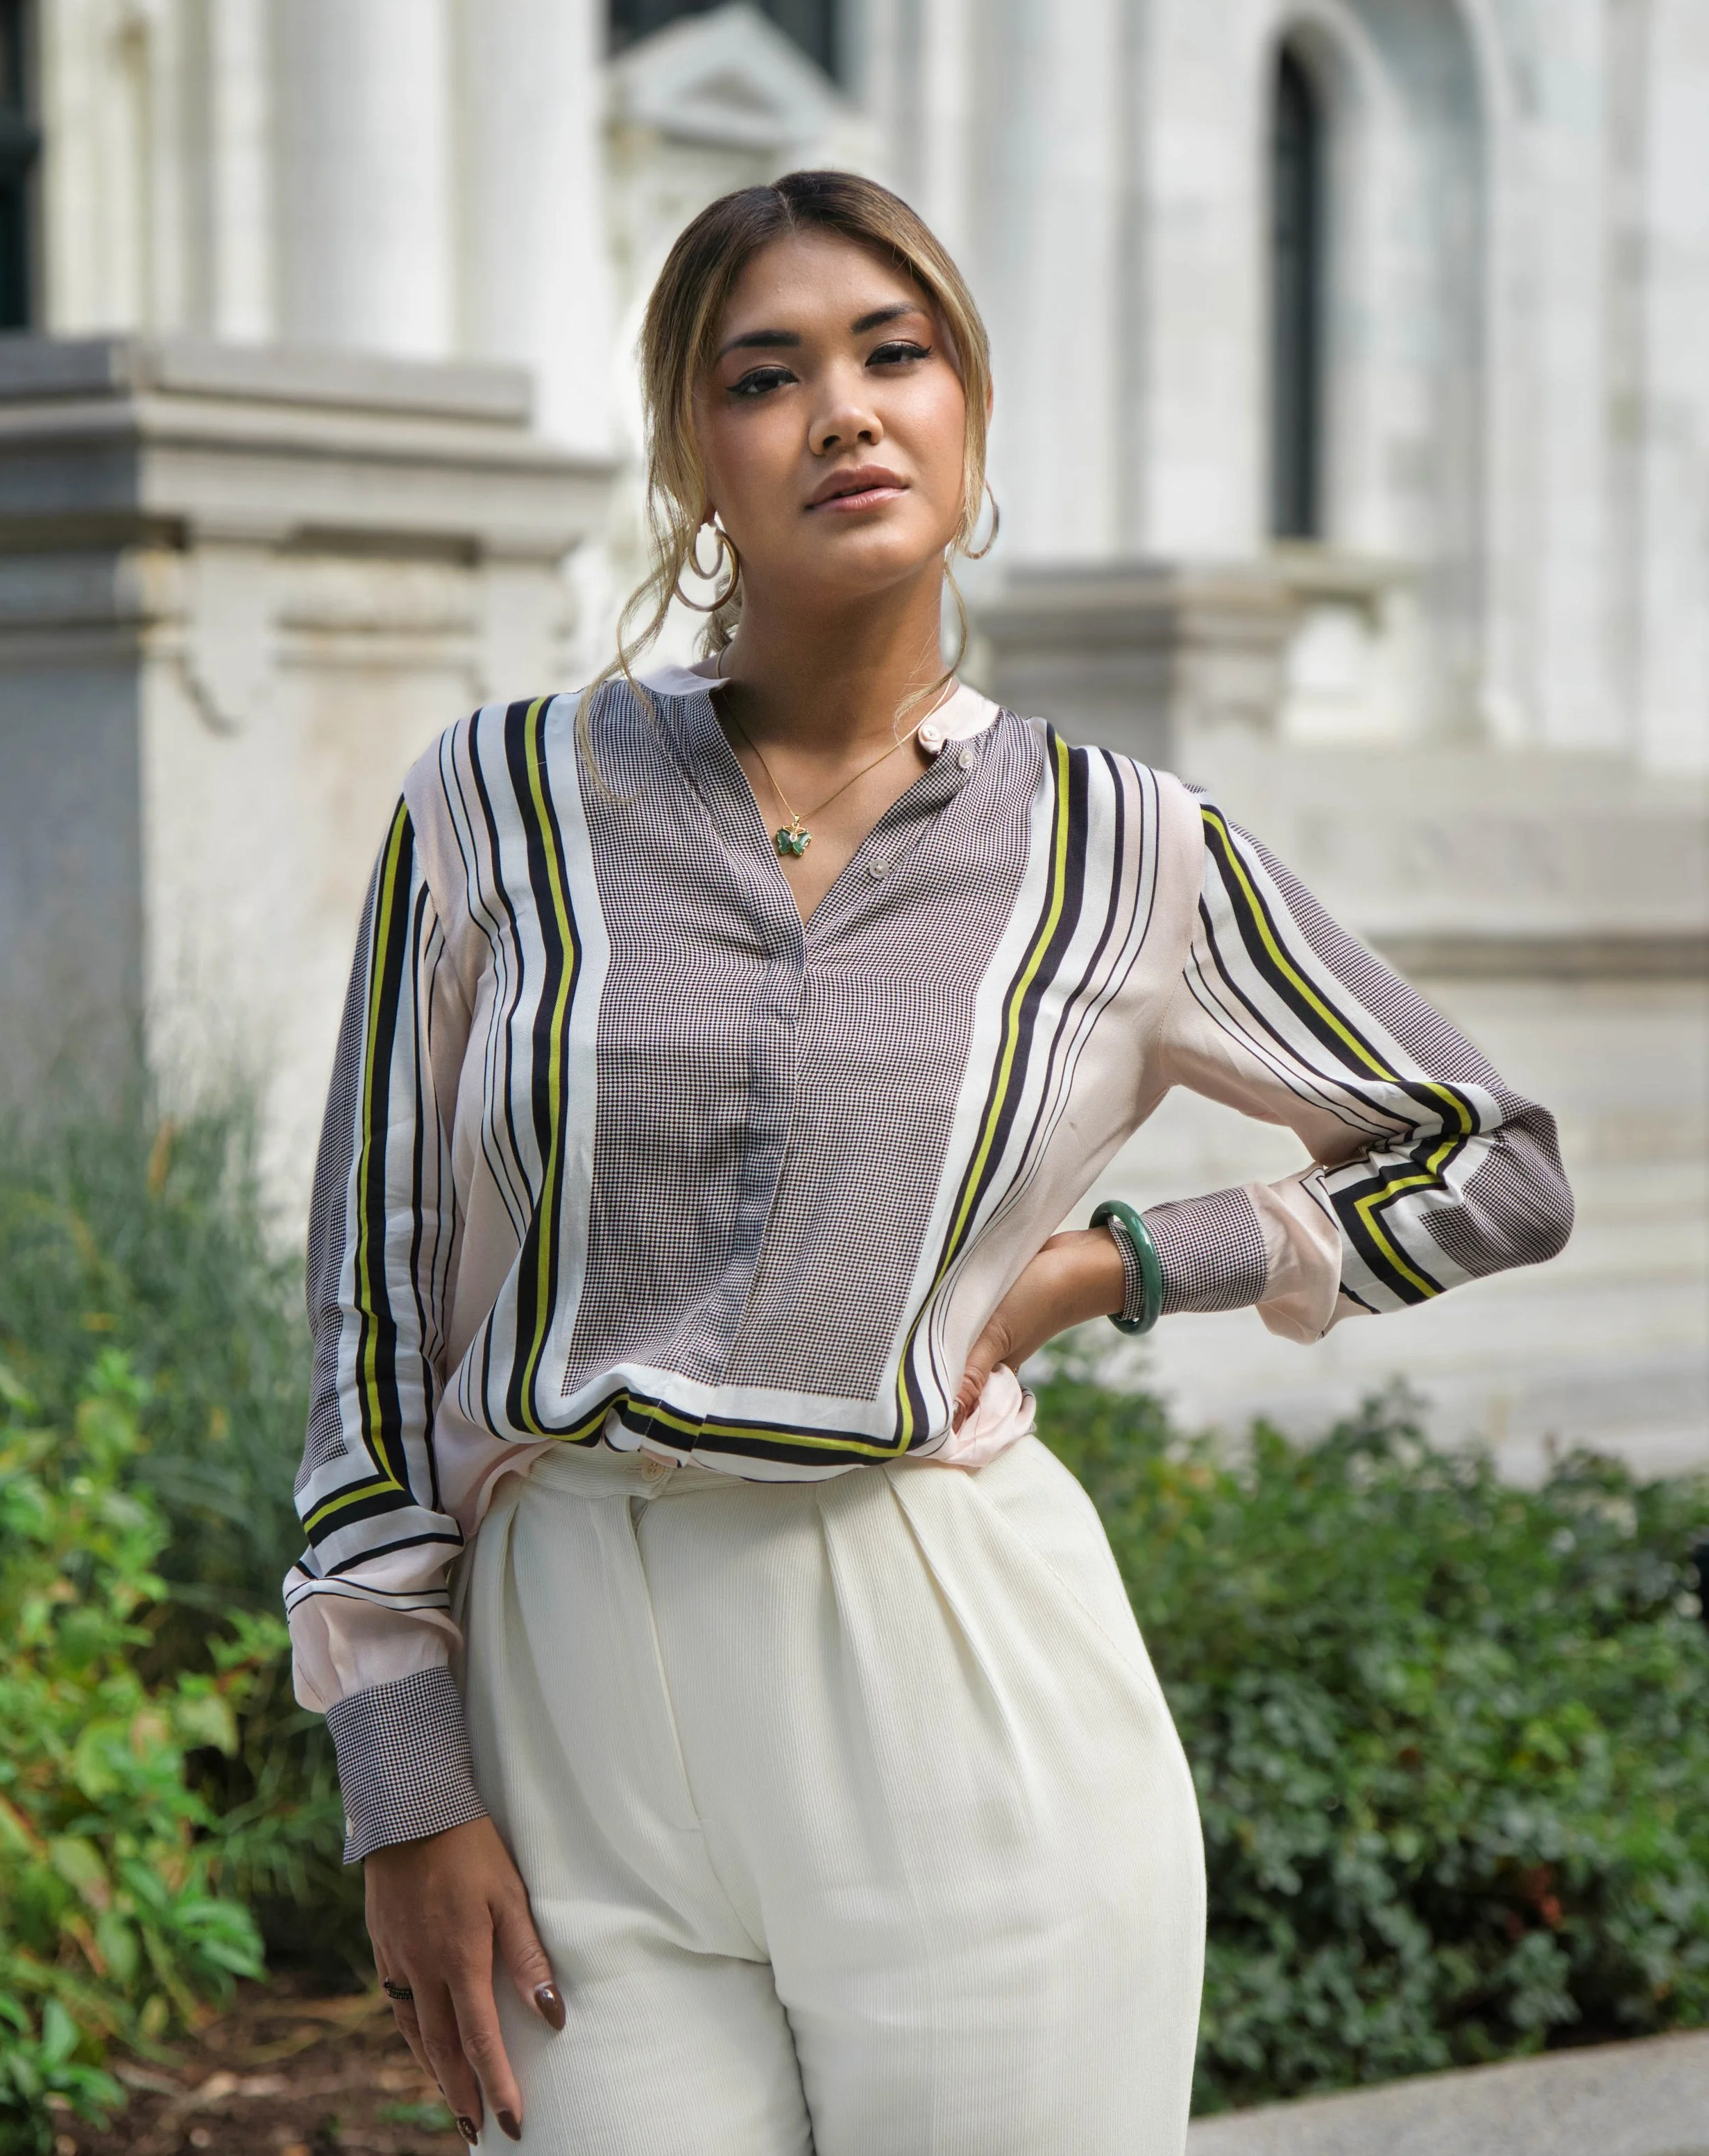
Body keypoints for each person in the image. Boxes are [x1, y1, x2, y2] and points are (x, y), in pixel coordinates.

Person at [284, 171, 1573, 2156]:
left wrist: (1119, 1264)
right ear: (692, 458)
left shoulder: (1116, 845)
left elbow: (1483, 1155)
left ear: (967, 417)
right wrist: (402, 1775)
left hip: (948, 1683)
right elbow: (369, 1295)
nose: (845, 413)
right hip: (578, 1707)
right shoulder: (495, 803)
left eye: (896, 356)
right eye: (765, 374)